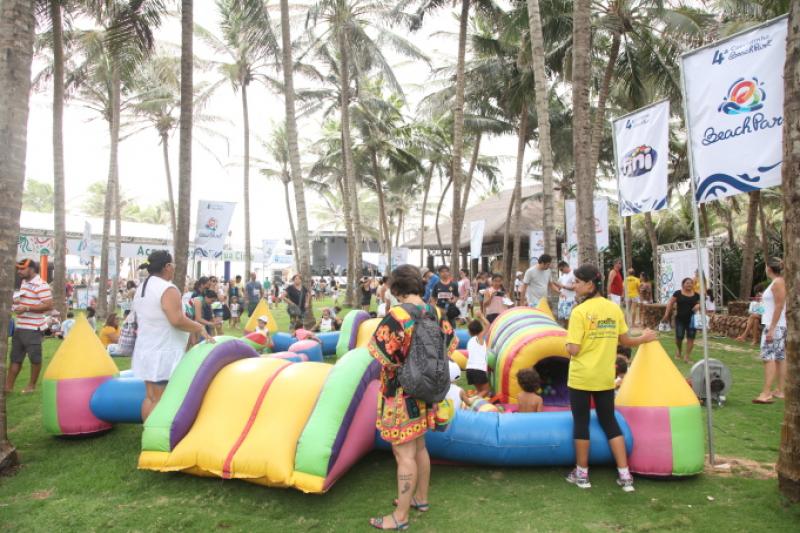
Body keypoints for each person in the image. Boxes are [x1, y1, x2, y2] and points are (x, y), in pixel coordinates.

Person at [367, 264, 457, 530]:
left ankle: (400, 516)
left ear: (396, 289)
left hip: (401, 393)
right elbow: (449, 347)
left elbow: (381, 353)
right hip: (427, 391)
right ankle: (421, 498)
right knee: (419, 447)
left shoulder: (397, 315)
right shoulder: (436, 312)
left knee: (403, 452)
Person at [565, 263, 656, 492]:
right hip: (605, 376)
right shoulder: (613, 309)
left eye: (577, 281)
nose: (574, 285)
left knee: (581, 423)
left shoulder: (579, 312)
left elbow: (574, 349)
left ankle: (582, 474)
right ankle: (625, 475)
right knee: (609, 422)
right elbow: (625, 341)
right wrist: (644, 338)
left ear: (590, 284)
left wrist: (567, 345)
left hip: (581, 377)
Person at [132, 250, 213, 421]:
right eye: (173, 265)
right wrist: (198, 327)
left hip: (147, 348)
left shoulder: (143, 287)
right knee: (161, 399)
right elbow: (176, 319)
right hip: (163, 351)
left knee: (151, 397)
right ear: (167, 266)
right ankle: (156, 434)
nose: (174, 269)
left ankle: (148, 432)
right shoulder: (167, 288)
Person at [6, 259, 53, 394]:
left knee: (35, 359)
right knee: (15, 358)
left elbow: (49, 305)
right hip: (20, 326)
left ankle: (31, 386)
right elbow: (26, 300)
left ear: (32, 269)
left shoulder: (41, 285)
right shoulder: (24, 282)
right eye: (18, 269)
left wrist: (27, 308)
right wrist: (17, 304)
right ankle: (8, 388)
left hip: (33, 329)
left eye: (22, 269)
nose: (19, 271)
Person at [753, 258, 786, 404]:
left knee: (768, 358)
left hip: (774, 326)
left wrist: (772, 328)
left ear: (769, 268)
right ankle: (780, 390)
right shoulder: (778, 282)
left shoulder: (778, 282)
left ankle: (766, 393)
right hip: (778, 325)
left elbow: (779, 305)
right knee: (779, 358)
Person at [661, 278, 700, 363]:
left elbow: (702, 304)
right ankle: (679, 350)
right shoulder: (678, 293)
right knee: (679, 337)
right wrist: (666, 315)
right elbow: (670, 303)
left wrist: (699, 305)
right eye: (687, 283)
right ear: (683, 284)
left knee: (691, 337)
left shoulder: (696, 295)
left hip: (692, 320)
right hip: (680, 319)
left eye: (691, 283)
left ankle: (687, 356)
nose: (689, 285)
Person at [466, 311, 491, 398]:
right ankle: (471, 402)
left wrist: (470, 320)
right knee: (486, 391)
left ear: (470, 331)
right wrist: (481, 316)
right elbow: (488, 325)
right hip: (478, 370)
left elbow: (473, 327)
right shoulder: (479, 338)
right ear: (480, 330)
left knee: (480, 391)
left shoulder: (470, 341)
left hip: (469, 370)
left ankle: (474, 402)